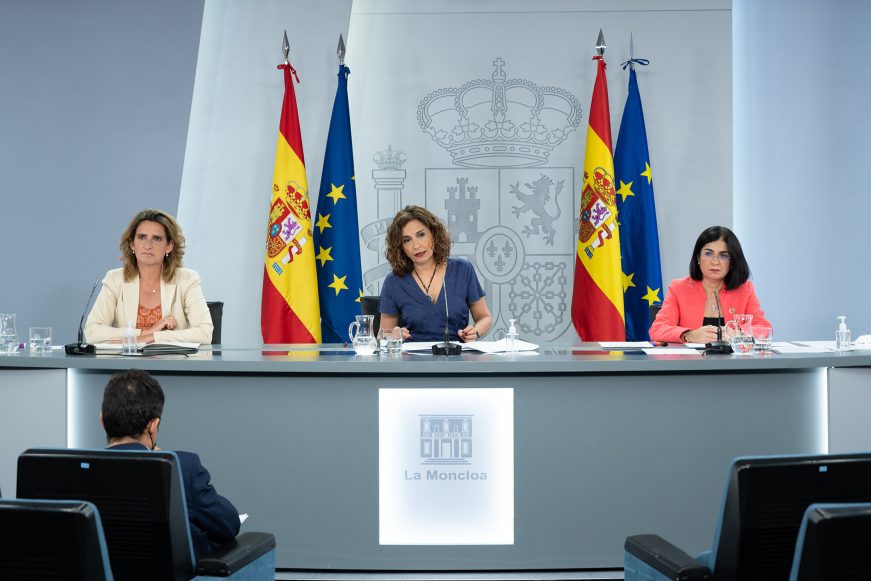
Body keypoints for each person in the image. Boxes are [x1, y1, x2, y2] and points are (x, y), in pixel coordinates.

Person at [100, 368, 240, 558]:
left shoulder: (77, 470)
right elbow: (228, 524)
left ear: (103, 421)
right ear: (153, 426)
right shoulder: (180, 467)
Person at [84, 208, 213, 344]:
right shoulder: (114, 279)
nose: (148, 245)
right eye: (142, 237)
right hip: (125, 364)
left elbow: (204, 334)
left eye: (157, 239)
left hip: (172, 363)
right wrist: (146, 332)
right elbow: (92, 332)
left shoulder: (187, 279)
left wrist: (152, 337)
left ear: (169, 246)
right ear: (132, 244)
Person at [379, 205, 492, 342]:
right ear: (400, 247)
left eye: (421, 235)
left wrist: (475, 332)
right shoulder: (394, 281)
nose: (416, 246)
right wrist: (393, 336)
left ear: (434, 234)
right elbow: (381, 336)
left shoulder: (463, 270)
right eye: (407, 240)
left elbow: (484, 318)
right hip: (412, 361)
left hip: (457, 357)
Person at [649, 225, 772, 344]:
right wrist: (689, 335)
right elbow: (657, 329)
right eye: (708, 253)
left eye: (724, 256)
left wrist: (739, 333)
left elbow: (764, 329)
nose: (715, 262)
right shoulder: (679, 288)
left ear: (733, 262)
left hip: (734, 363)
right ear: (698, 257)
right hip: (690, 363)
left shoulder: (745, 290)